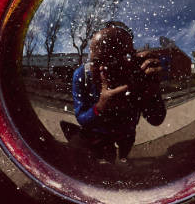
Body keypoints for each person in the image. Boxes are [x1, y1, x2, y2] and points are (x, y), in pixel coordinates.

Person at [63, 22, 167, 161]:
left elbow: (156, 119)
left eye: (117, 60)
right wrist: (101, 106)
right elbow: (81, 118)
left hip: (127, 133)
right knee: (106, 159)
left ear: (133, 58)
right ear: (90, 56)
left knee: (124, 154)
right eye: (98, 61)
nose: (106, 69)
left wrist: (152, 90)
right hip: (98, 134)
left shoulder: (137, 73)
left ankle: (123, 158)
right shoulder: (82, 74)